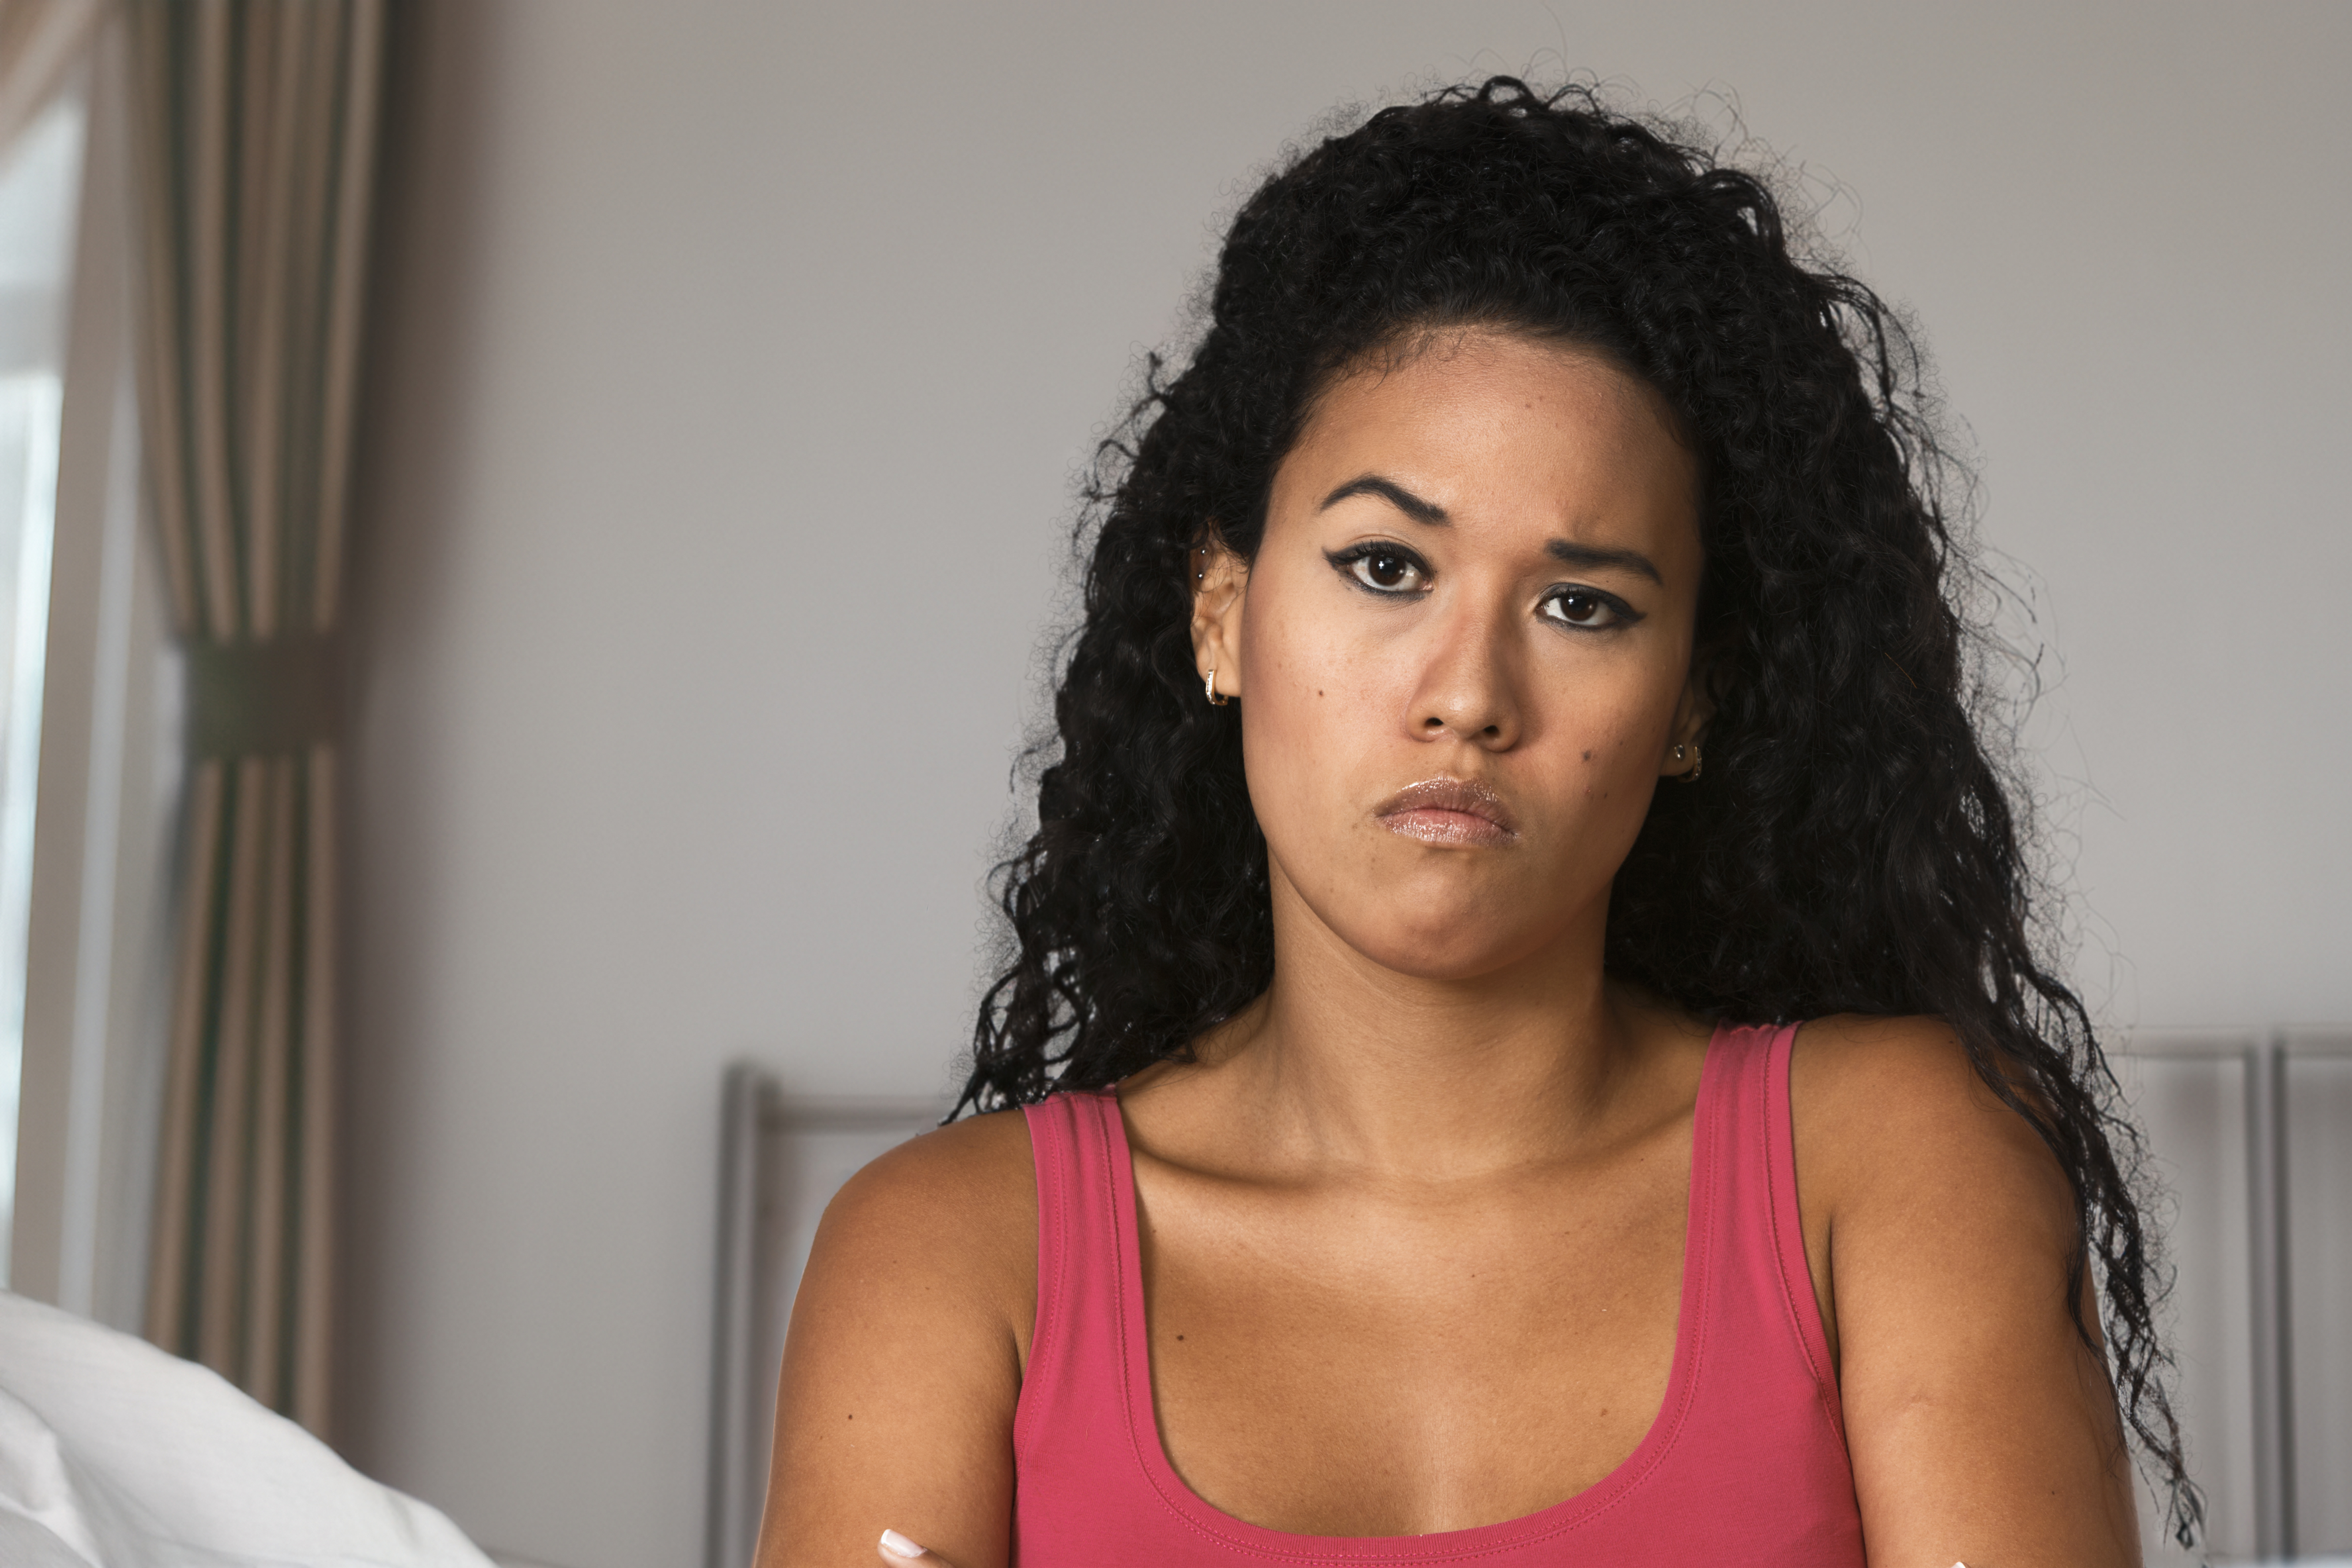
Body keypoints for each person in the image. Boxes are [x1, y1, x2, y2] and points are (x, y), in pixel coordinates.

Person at [756, 79, 2192, 1568]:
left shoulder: (1894, 1163)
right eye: (1385, 566)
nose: (1468, 694)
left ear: (1689, 703)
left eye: (1582, 605)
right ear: (1223, 610)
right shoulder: (950, 1255)